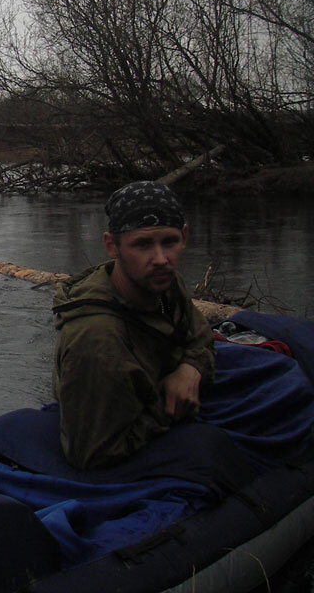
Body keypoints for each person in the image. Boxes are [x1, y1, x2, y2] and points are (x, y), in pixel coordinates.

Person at [51, 181, 216, 470]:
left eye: (169, 241)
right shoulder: (98, 341)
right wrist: (167, 405)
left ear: (185, 236)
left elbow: (200, 335)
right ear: (112, 246)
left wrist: (190, 370)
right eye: (142, 244)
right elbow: (90, 453)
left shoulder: (162, 282)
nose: (161, 259)